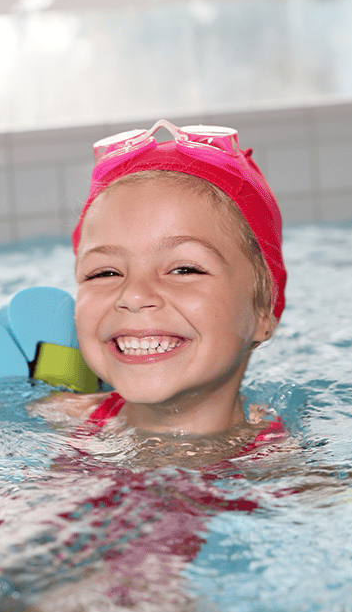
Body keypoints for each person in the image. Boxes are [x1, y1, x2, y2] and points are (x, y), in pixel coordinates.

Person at [36, 119, 287, 447]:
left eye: (184, 270)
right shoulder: (63, 418)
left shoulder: (284, 469)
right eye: (105, 273)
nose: (134, 295)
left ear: (261, 313)